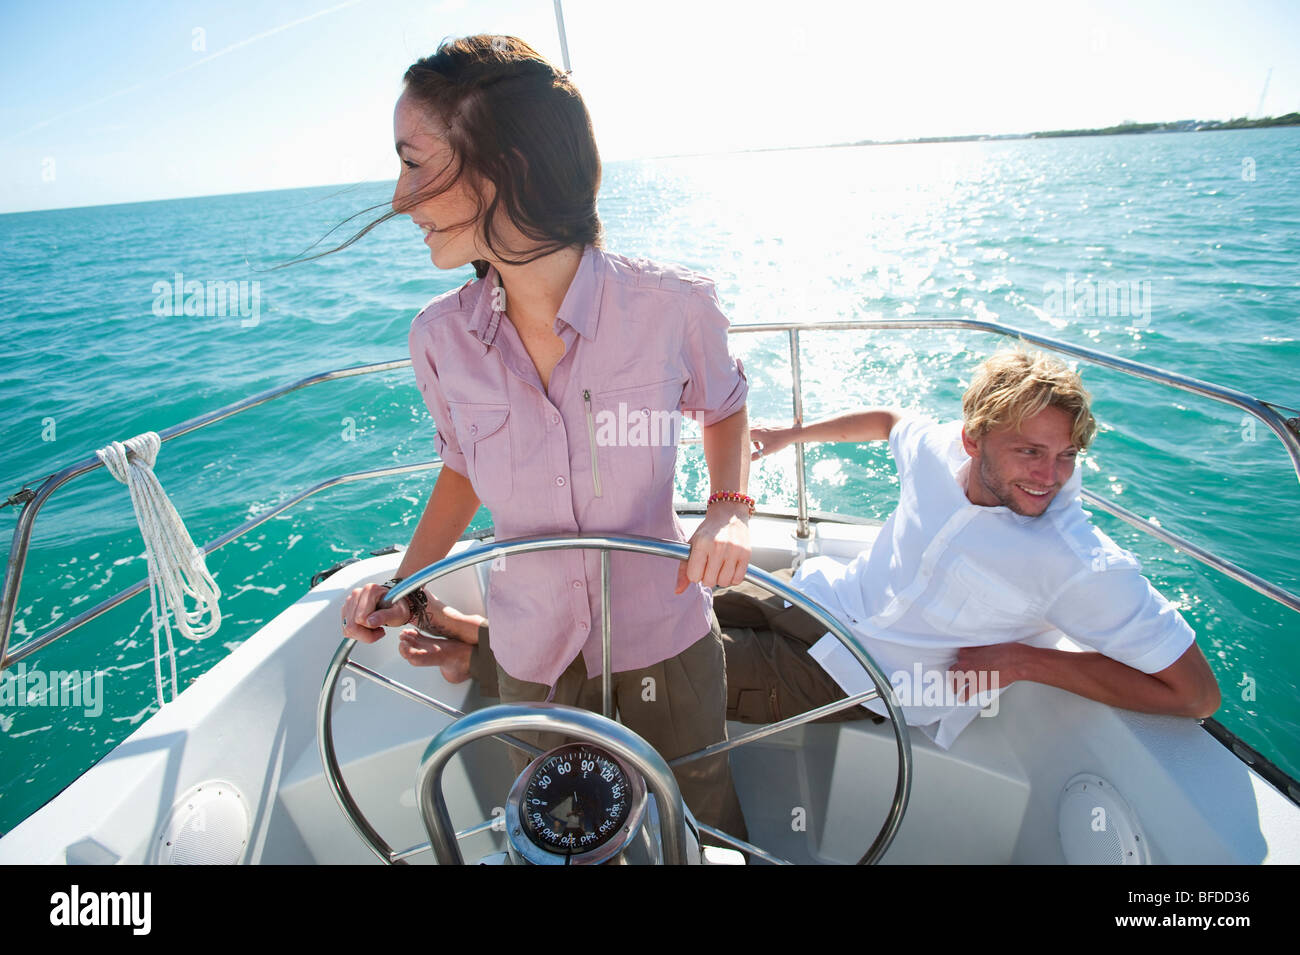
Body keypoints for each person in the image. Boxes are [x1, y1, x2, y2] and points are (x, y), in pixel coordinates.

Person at [339, 36, 752, 838]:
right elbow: (462, 471)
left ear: (510, 168)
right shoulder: (437, 338)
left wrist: (730, 506)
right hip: (526, 662)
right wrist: (405, 588)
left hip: (665, 643)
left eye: (416, 163)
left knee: (698, 829)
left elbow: (725, 404)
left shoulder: (673, 305)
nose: (398, 197)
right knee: (548, 844)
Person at [403, 350, 1221, 751]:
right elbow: (889, 422)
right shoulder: (941, 451)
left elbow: (1194, 693)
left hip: (867, 678)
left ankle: (463, 653)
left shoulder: (1078, 558)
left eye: (1065, 457)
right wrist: (790, 434)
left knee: (655, 682)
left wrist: (1029, 659)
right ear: (975, 439)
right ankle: (486, 639)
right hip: (824, 598)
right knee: (650, 587)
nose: (1049, 476)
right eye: (1029, 453)